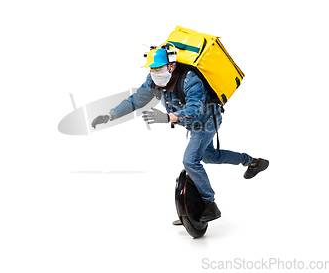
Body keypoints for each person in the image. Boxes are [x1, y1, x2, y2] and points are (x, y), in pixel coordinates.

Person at [91, 47, 269, 222]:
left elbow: (196, 110)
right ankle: (253, 162)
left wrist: (168, 117)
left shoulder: (190, 80)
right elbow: (135, 101)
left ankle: (209, 204)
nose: (154, 72)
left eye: (158, 68)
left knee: (190, 161)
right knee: (211, 157)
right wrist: (110, 115)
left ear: (171, 66)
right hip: (192, 124)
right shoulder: (153, 82)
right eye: (151, 69)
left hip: (206, 122)